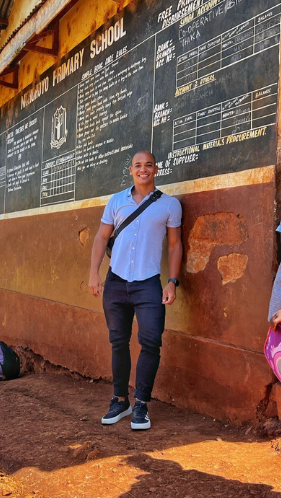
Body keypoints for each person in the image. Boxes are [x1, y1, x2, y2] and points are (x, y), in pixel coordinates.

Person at [89, 150, 183, 431]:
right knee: (118, 342)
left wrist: (172, 281)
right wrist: (94, 273)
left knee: (151, 342)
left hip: (148, 284)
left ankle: (141, 403)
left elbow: (175, 245)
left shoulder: (170, 205)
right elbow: (101, 236)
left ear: (156, 169)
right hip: (116, 282)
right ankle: (120, 400)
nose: (143, 170)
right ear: (130, 170)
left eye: (148, 165)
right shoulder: (116, 201)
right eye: (138, 165)